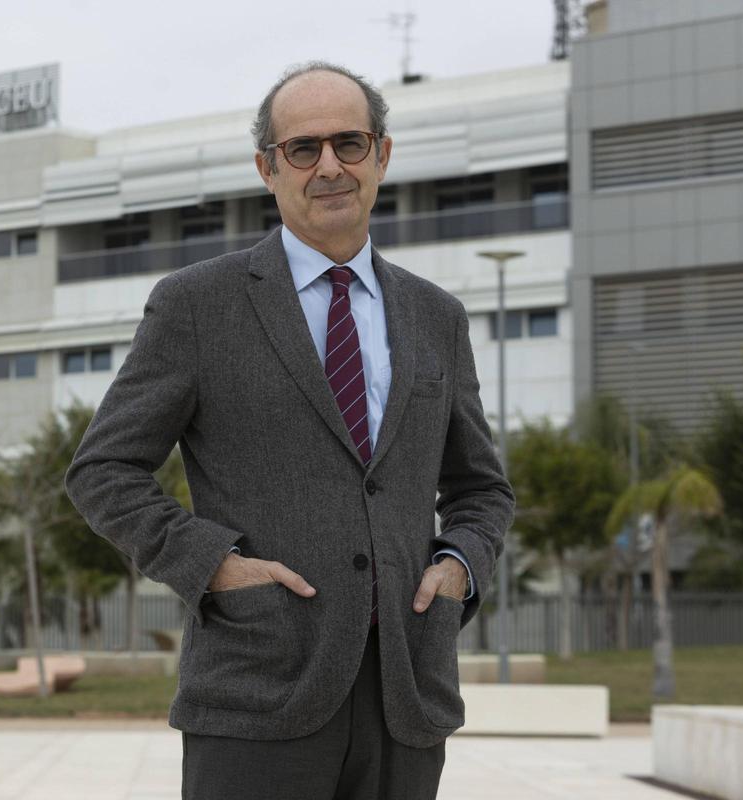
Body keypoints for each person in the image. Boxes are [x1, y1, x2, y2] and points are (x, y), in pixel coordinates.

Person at [64, 61, 514, 800]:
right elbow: (102, 470)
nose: (330, 166)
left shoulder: (439, 317)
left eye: (350, 143)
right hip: (256, 690)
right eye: (304, 149)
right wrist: (211, 566)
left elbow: (481, 489)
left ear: (384, 155)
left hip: (407, 694)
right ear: (267, 169)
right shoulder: (197, 307)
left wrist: (459, 566)